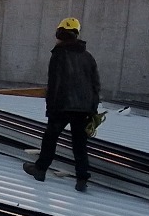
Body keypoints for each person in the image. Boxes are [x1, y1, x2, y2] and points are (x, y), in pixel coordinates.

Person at [25, 17, 100, 190]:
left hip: (62, 106)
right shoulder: (88, 57)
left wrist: (50, 108)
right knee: (79, 144)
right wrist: (93, 110)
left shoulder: (58, 55)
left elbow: (54, 84)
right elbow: (95, 86)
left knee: (50, 138)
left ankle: (40, 169)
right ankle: (82, 179)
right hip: (83, 109)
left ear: (60, 33)